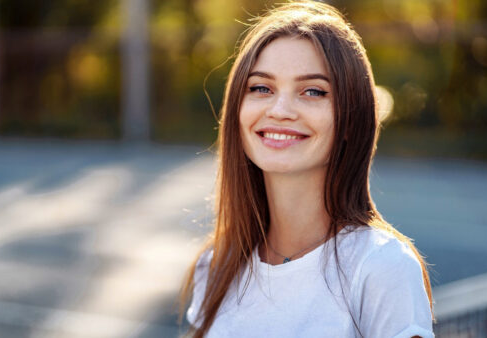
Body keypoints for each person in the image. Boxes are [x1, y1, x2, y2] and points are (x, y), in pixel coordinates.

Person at [180, 1, 434, 337]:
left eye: (312, 91)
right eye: (261, 88)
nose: (280, 110)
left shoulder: (382, 268)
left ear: (349, 120)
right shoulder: (216, 266)